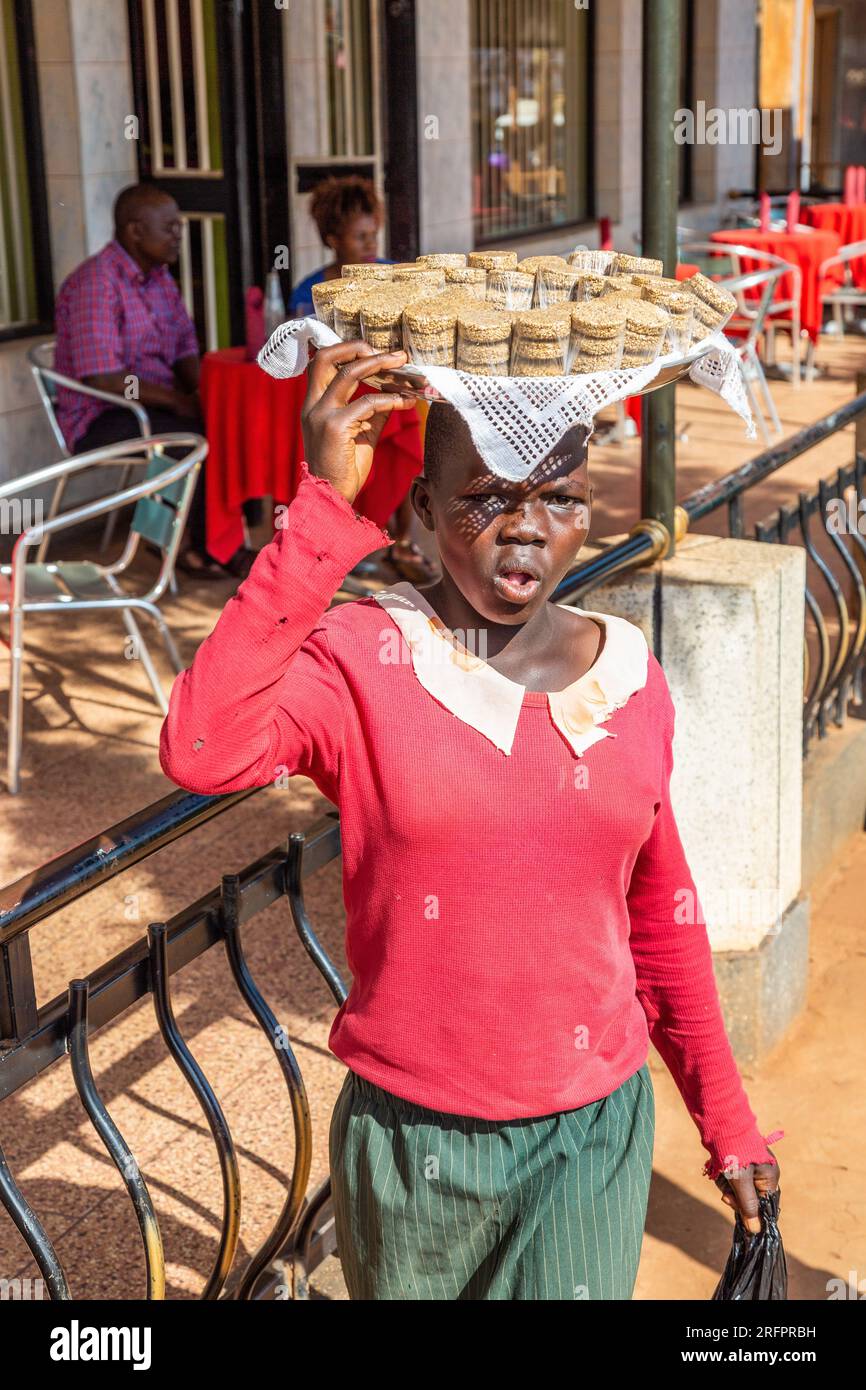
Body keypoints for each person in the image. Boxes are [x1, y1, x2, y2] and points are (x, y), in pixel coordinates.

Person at [158, 340, 783, 1301]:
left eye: (560, 499)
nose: (526, 529)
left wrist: (728, 1122)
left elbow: (661, 915)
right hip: (413, 1145)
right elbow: (203, 750)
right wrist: (320, 510)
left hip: (591, 1139)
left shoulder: (628, 676)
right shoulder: (365, 657)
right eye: (485, 496)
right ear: (420, 511)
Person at [53, 182, 254, 580]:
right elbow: (106, 380)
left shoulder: (159, 278)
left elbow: (183, 349)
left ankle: (225, 540)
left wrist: (204, 393)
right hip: (101, 416)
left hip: (150, 405)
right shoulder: (97, 283)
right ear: (134, 231)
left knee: (227, 422)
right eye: (169, 227)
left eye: (179, 226)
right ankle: (198, 550)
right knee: (195, 437)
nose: (179, 234)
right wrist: (181, 402)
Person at [289, 175, 436, 585]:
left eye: (374, 235)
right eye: (360, 237)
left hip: (392, 387)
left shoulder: (393, 276)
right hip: (341, 393)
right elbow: (302, 351)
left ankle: (403, 540)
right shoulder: (312, 290)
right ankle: (349, 545)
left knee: (406, 460)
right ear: (333, 238)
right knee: (342, 464)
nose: (372, 245)